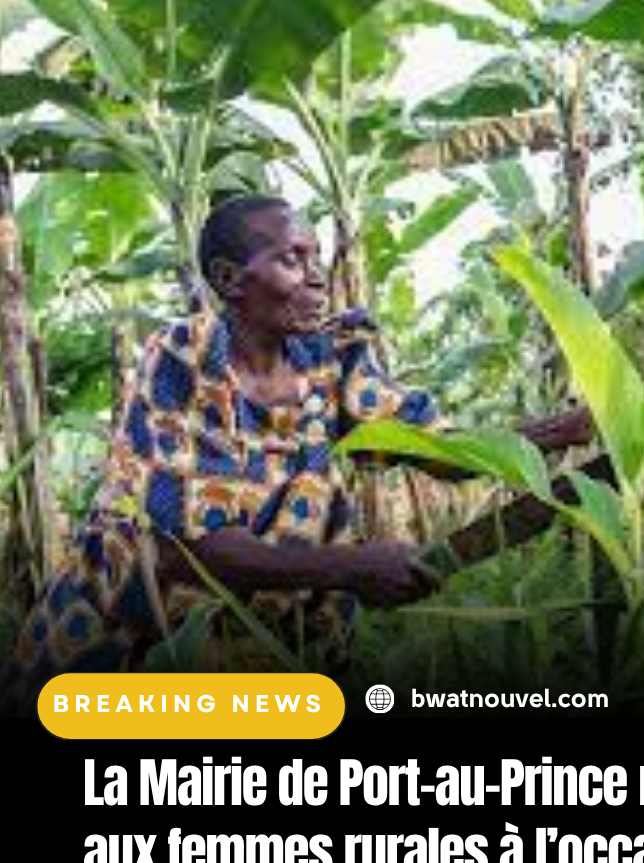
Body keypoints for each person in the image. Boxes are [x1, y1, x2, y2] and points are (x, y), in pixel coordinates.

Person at [5, 194, 590, 701]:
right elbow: (196, 549)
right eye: (292, 259)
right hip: (130, 640)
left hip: (265, 650)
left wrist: (568, 429)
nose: (317, 277)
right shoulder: (184, 358)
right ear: (231, 280)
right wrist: (352, 567)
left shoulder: (328, 358)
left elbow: (439, 451)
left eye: (316, 257)